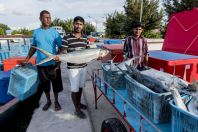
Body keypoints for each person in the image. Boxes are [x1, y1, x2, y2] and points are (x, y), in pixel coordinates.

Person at [23, 10, 63, 111]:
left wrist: (58, 60)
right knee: (45, 84)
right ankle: (48, 100)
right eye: (45, 17)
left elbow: (61, 47)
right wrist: (27, 59)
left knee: (55, 84)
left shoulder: (54, 32)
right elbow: (33, 47)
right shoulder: (36, 32)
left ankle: (56, 101)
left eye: (49, 17)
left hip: (53, 63)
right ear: (40, 19)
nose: (48, 19)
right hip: (41, 63)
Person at [61, 16, 89, 119]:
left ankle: (79, 103)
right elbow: (63, 51)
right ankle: (77, 110)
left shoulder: (85, 37)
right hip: (73, 67)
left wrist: (96, 56)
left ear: (83, 26)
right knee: (74, 89)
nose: (78, 26)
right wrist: (58, 57)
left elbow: (88, 51)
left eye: (80, 24)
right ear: (73, 24)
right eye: (76, 24)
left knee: (80, 87)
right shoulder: (67, 37)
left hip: (83, 67)